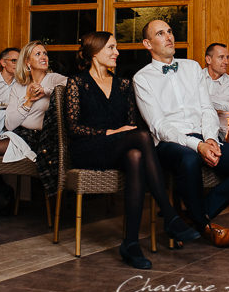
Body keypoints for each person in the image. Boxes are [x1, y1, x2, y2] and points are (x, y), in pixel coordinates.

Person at [64, 31, 200, 268]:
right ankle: (168, 215)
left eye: (116, 48)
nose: (117, 52)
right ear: (95, 53)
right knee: (141, 140)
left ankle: (131, 243)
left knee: (137, 154)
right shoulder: (77, 83)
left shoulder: (124, 85)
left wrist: (119, 134)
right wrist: (110, 133)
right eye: (111, 48)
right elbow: (74, 128)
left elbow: (131, 123)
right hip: (89, 149)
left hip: (118, 148)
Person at [134, 20, 229, 247]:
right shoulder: (142, 78)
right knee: (189, 158)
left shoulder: (192, 67)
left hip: (204, 135)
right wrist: (197, 146)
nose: (169, 37)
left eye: (170, 31)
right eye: (160, 33)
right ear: (147, 43)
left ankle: (195, 218)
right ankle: (203, 224)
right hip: (169, 142)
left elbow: (206, 108)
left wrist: (210, 138)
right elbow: (159, 126)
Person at [0, 40, 66, 158]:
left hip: (39, 139)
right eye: (38, 54)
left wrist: (44, 91)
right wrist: (29, 101)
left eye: (45, 53)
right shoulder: (18, 86)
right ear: (27, 62)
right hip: (16, 134)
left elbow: (73, 87)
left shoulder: (53, 79)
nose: (44, 57)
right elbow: (10, 124)